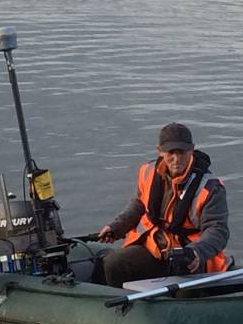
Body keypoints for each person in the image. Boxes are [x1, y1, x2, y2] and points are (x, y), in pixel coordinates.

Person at [97, 122, 229, 288]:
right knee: (114, 264)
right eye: (171, 152)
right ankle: (125, 301)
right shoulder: (147, 171)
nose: (176, 159)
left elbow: (218, 230)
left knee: (186, 286)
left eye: (182, 152)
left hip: (189, 256)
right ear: (160, 151)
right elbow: (140, 204)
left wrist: (196, 251)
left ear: (191, 150)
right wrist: (117, 227)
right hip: (155, 249)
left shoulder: (210, 188)